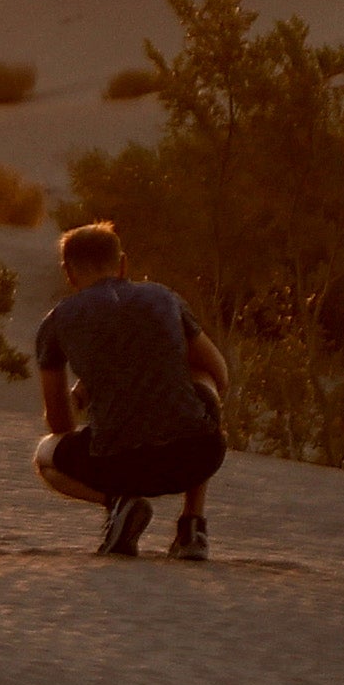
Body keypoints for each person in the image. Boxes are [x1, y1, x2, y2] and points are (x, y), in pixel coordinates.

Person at [33, 218, 228, 559]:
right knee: (200, 384)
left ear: (68, 271)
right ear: (123, 264)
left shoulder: (57, 322)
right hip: (198, 456)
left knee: (44, 457)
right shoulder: (163, 298)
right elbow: (219, 372)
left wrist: (89, 394)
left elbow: (60, 425)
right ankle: (192, 526)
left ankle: (120, 504)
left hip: (117, 468)